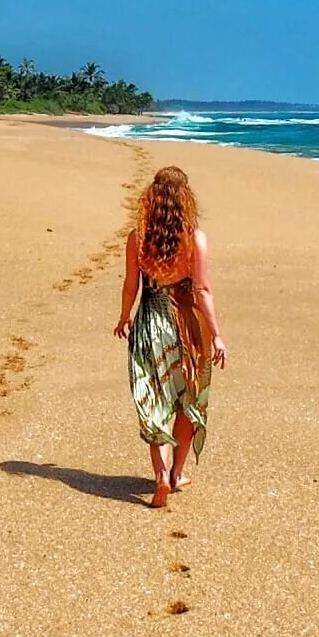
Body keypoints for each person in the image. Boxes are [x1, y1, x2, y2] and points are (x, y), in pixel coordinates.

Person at [113, 166, 227, 509]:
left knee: (155, 399)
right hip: (188, 325)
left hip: (150, 323)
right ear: (185, 199)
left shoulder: (138, 238)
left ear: (152, 197)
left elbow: (131, 285)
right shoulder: (195, 239)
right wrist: (218, 336)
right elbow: (203, 290)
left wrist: (123, 318)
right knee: (188, 399)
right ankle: (176, 475)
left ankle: (161, 475)